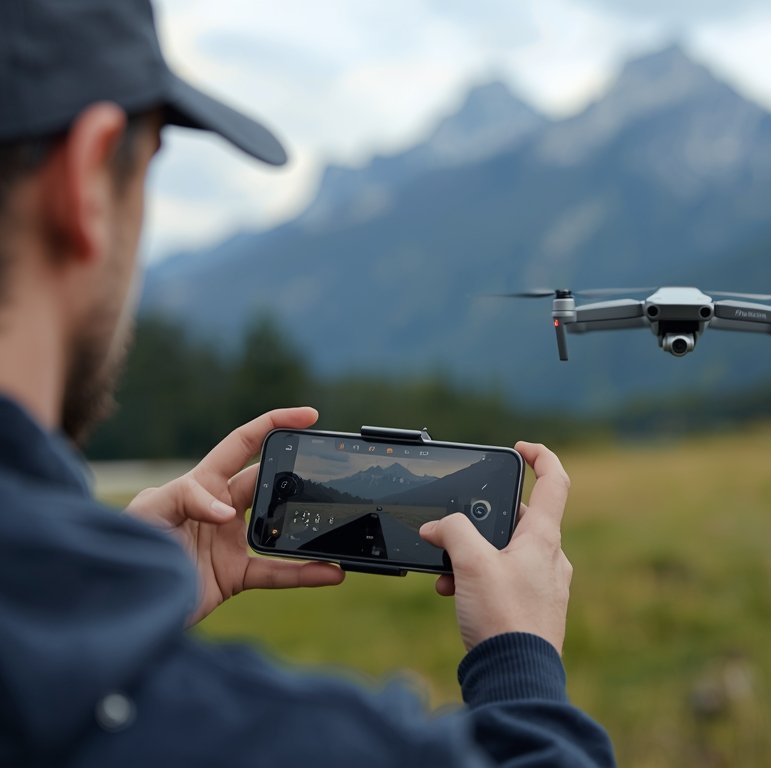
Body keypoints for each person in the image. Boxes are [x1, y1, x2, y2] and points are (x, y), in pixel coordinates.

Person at [0, 1, 616, 766]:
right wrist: (521, 665)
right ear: (88, 179)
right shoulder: (269, 741)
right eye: (149, 167)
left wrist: (83, 602)